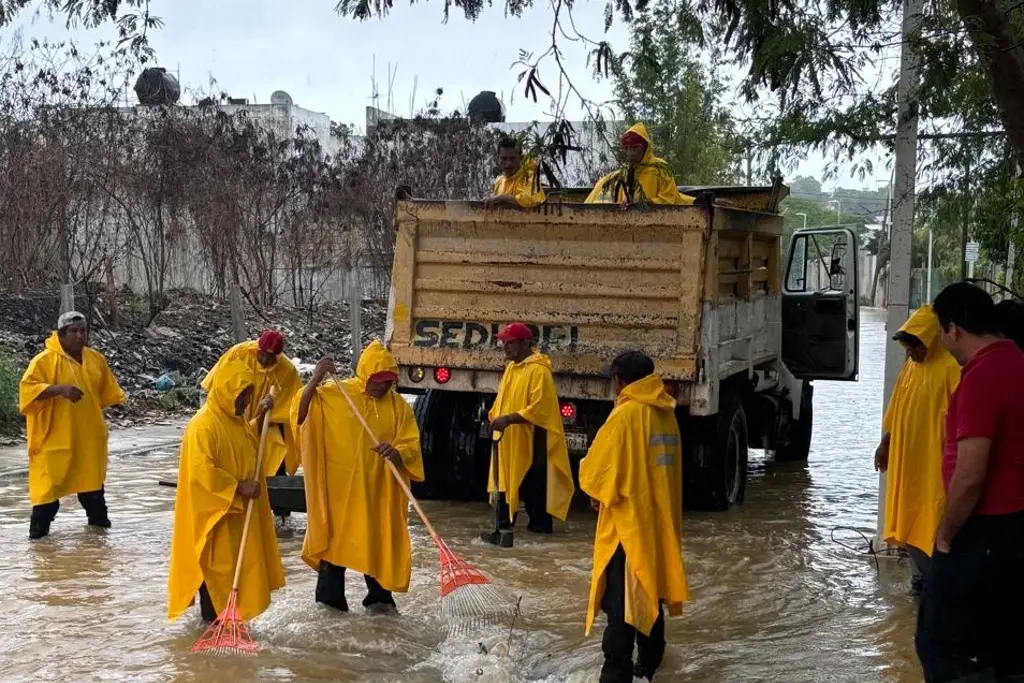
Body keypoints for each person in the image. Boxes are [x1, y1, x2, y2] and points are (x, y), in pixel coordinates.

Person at [915, 282, 1024, 683]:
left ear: (953, 329)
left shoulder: (983, 376)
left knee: (944, 649)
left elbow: (971, 472)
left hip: (983, 533)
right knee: (1006, 653)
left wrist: (946, 534)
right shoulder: (1017, 362)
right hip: (1015, 532)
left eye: (942, 334)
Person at [579, 350, 689, 683]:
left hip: (627, 529)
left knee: (620, 606)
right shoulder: (665, 413)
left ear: (621, 381)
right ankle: (650, 665)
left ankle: (615, 675)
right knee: (648, 591)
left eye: (612, 378)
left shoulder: (625, 416)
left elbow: (597, 473)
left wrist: (595, 495)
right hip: (658, 527)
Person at [293, 340, 424, 614]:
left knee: (376, 545)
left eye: (389, 381)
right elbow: (300, 414)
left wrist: (397, 452)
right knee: (334, 548)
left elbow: (412, 445)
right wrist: (316, 377)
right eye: (378, 381)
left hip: (378, 495)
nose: (383, 387)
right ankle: (329, 609)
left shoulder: (399, 406)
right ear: (365, 375)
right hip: (339, 495)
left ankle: (379, 604)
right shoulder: (337, 393)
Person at [167, 357, 285, 624]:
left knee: (234, 570)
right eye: (242, 395)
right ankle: (211, 625)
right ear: (227, 390)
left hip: (236, 514)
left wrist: (259, 418)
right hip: (215, 517)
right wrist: (239, 487)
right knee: (215, 569)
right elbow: (201, 473)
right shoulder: (203, 425)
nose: (245, 401)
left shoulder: (235, 420)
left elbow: (245, 445)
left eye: (248, 395)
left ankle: (229, 623)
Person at [874, 305, 961, 596]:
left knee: (933, 521)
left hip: (934, 465)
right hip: (907, 463)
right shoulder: (912, 367)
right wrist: (885, 444)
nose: (910, 353)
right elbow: (895, 407)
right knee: (910, 521)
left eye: (915, 347)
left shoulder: (951, 369)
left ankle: (934, 584)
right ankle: (918, 584)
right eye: (907, 348)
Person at [19, 311, 126, 540]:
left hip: (88, 440)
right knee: (46, 502)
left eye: (83, 330)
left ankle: (98, 549)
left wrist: (117, 403)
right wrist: (59, 389)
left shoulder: (95, 359)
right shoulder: (43, 361)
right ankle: (39, 552)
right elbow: (27, 391)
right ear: (61, 335)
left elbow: (108, 391)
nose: (79, 336)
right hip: (54, 441)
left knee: (94, 498)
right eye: (73, 331)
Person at [484, 322, 575, 547]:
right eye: (503, 342)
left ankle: (540, 534)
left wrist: (508, 419)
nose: (505, 347)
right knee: (504, 481)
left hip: (531, 441)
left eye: (510, 342)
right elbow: (502, 400)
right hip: (508, 441)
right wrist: (493, 416)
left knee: (532, 484)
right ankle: (503, 527)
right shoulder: (511, 369)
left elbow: (540, 409)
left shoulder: (539, 371)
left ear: (526, 344)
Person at [203, 330, 303, 519]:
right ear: (257, 347)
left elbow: (292, 409)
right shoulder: (238, 354)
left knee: (274, 464)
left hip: (267, 425)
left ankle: (280, 515)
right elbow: (214, 387)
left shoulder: (287, 371)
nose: (264, 360)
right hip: (233, 420)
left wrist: (265, 411)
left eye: (270, 357)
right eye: (262, 354)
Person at [585, 123, 695, 206]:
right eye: (626, 148)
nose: (630, 153)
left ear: (645, 147)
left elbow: (669, 198)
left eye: (634, 148)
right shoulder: (625, 173)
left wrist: (643, 205)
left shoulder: (659, 168)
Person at [484, 136, 546, 209]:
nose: (508, 163)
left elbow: (528, 199)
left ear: (520, 158)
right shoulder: (499, 180)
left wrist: (503, 198)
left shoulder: (529, 176)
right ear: (498, 159)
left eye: (512, 158)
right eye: (503, 159)